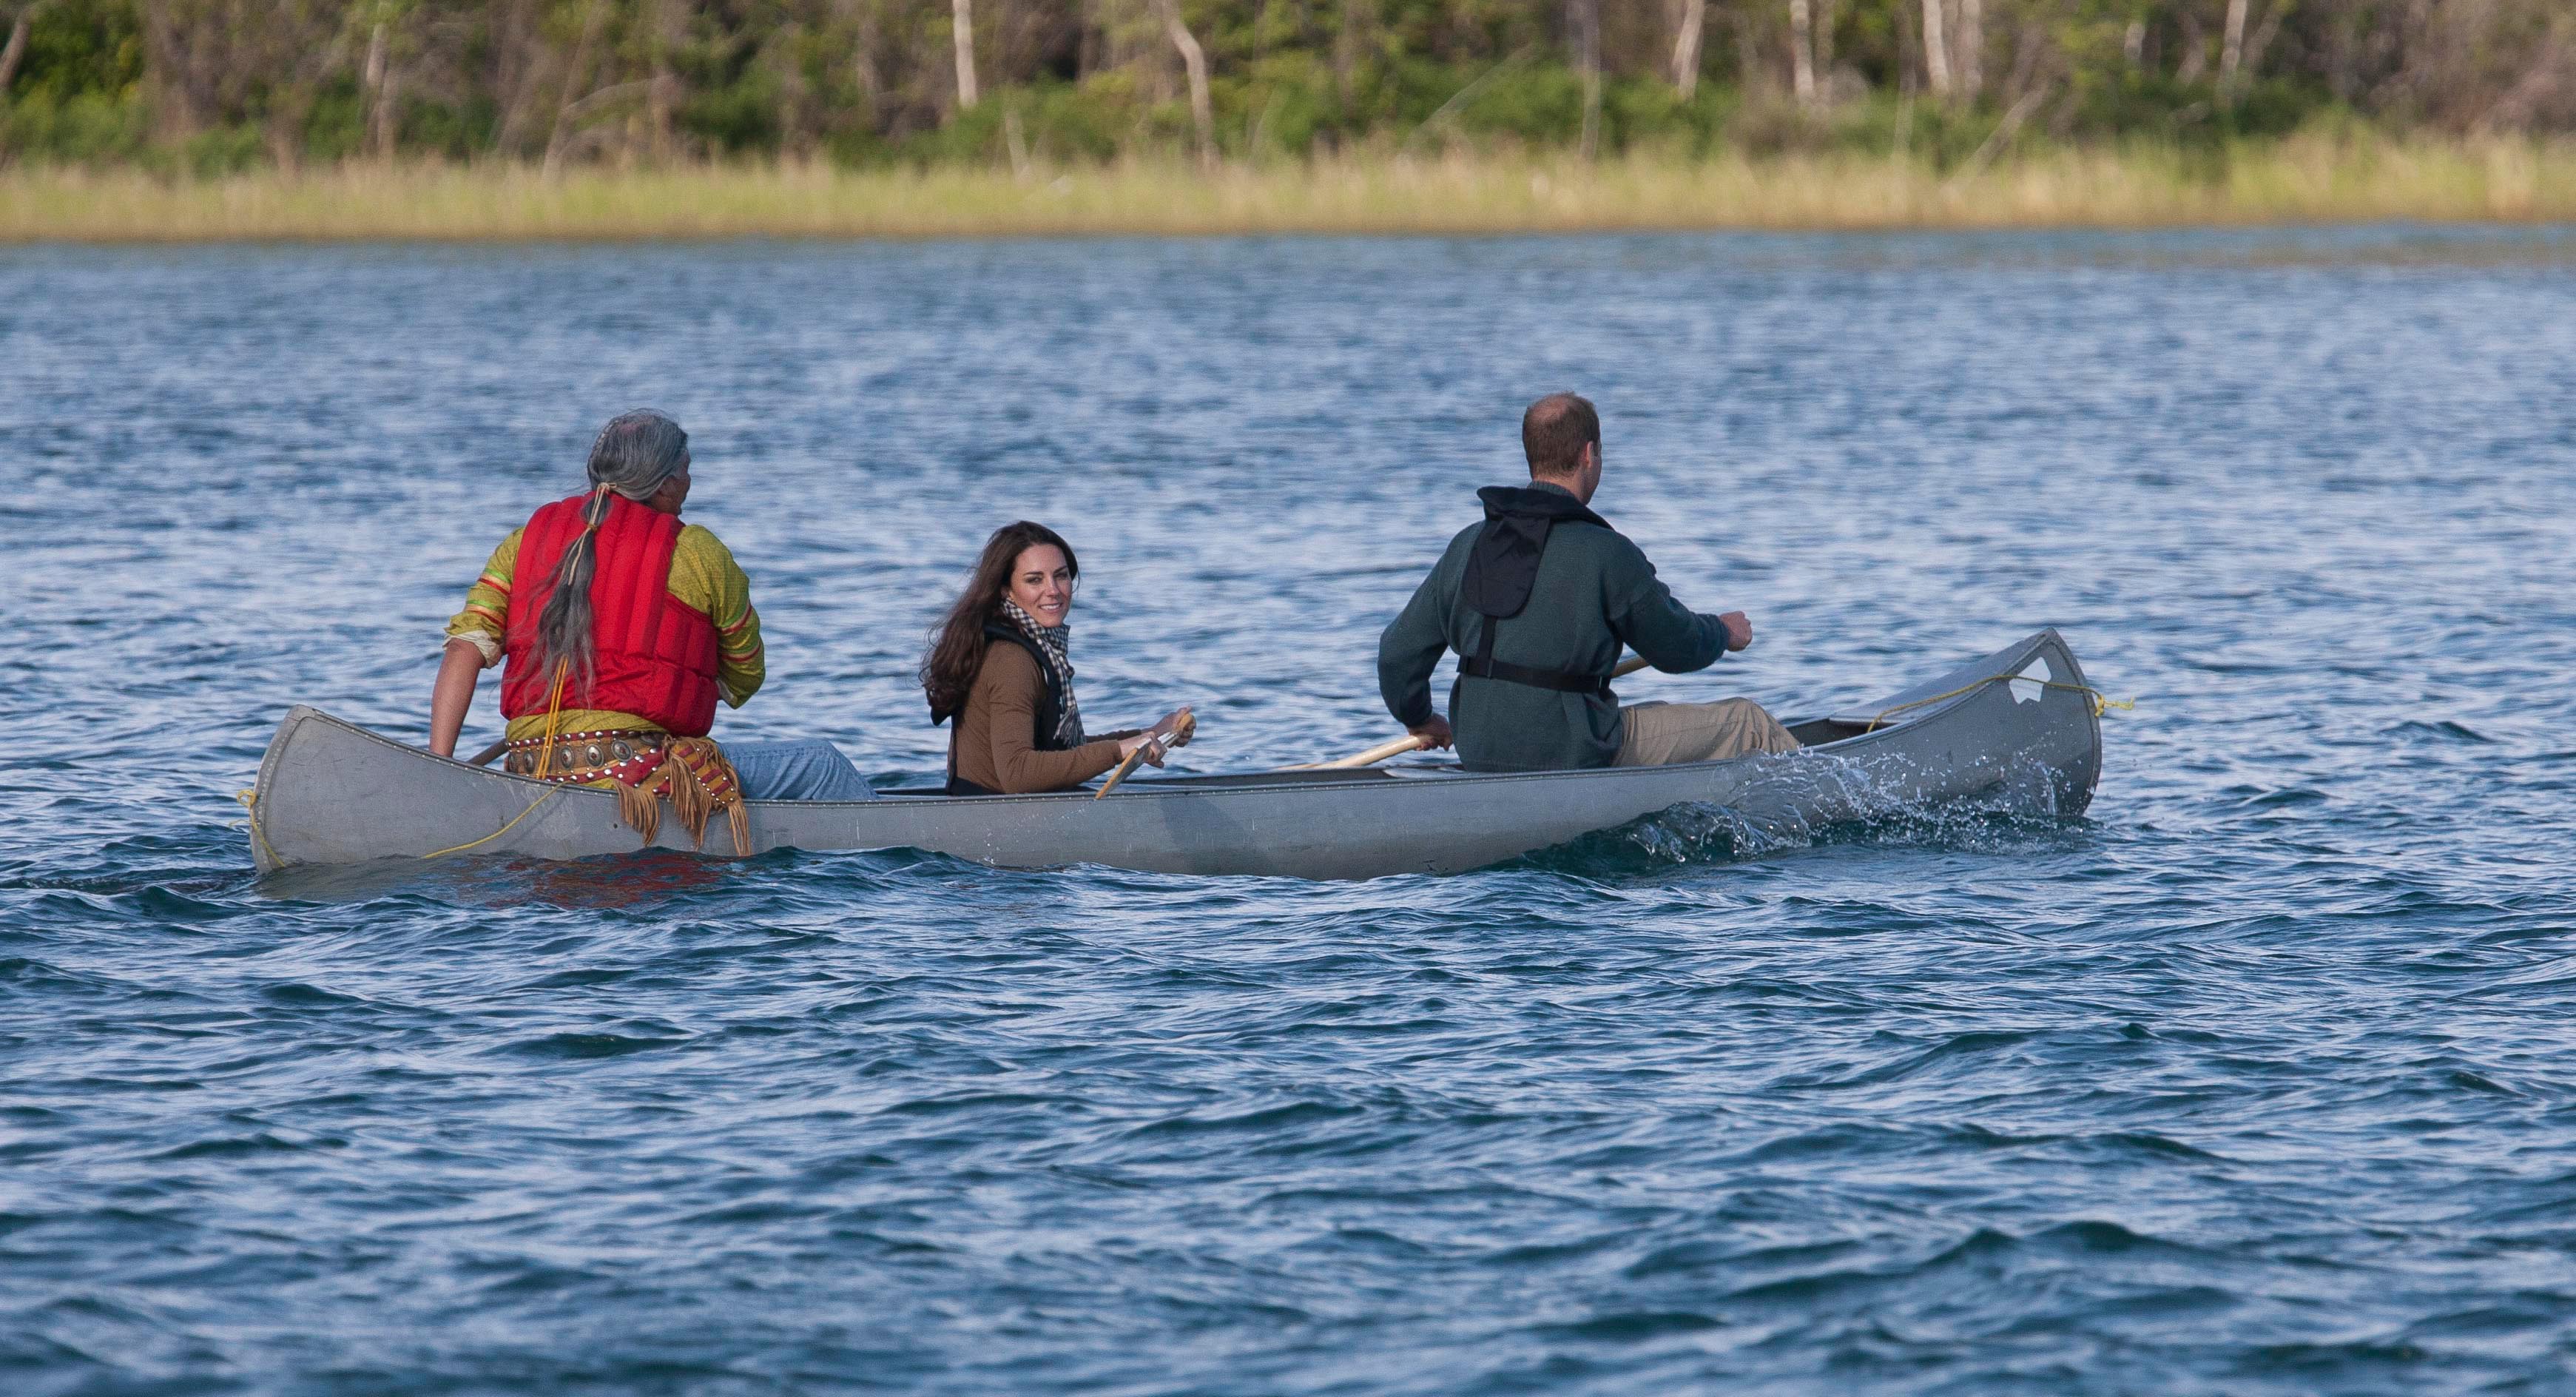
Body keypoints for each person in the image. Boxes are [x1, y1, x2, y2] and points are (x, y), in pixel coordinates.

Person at [429, 410, 874, 847]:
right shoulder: (696, 550)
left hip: (531, 772)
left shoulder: (525, 540)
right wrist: (689, 679)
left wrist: (440, 767)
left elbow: (465, 648)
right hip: (639, 776)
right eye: (686, 471)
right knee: (824, 764)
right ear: (664, 483)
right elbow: (746, 673)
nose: (690, 483)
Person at [1376, 393, 1800, 774]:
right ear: (1588, 454)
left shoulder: (1467, 545)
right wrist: (1723, 632)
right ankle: (1838, 808)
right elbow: (1675, 647)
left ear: (1533, 457)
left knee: (1651, 717)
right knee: (1747, 724)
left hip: (1478, 747)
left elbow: (1397, 654)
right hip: (1571, 750)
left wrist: (1418, 717)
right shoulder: (1607, 553)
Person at [922, 522, 1193, 795]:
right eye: (1034, 580)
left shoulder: (1031, 647)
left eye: (1061, 576)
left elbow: (1058, 752)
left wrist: (1147, 736)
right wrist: (1118, 750)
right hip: (996, 822)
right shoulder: (1012, 661)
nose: (1053, 590)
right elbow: (1018, 773)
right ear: (1006, 590)